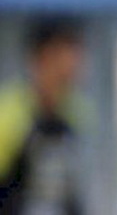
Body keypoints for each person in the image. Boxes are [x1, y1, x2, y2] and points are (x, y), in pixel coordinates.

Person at [0, 16, 85, 215]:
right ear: (41, 58)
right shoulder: (10, 114)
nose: (74, 64)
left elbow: (71, 191)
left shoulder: (76, 113)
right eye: (64, 53)